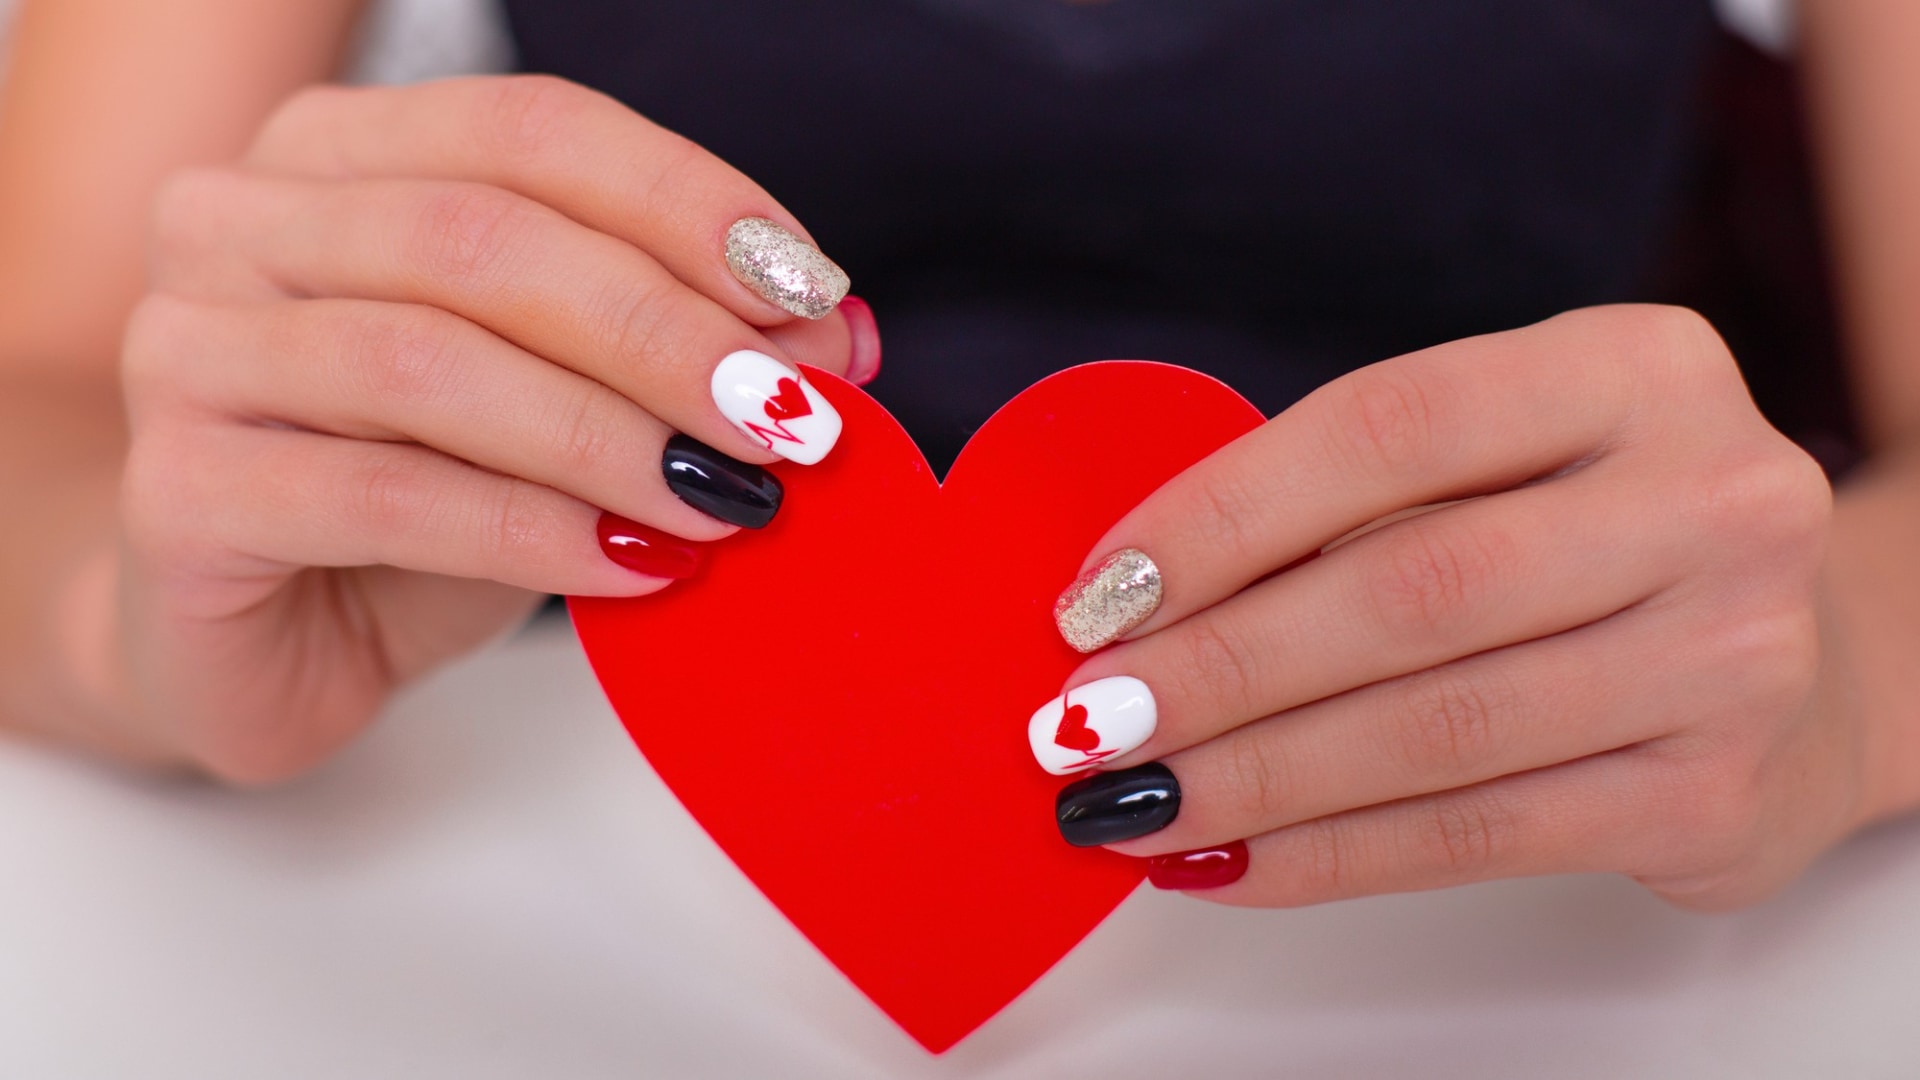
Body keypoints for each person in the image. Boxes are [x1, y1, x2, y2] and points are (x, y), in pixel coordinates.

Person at [1, 0, 1916, 913]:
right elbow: (42, 396)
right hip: (561, 892)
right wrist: (125, 614)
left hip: (1530, 928)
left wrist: (1839, 664)